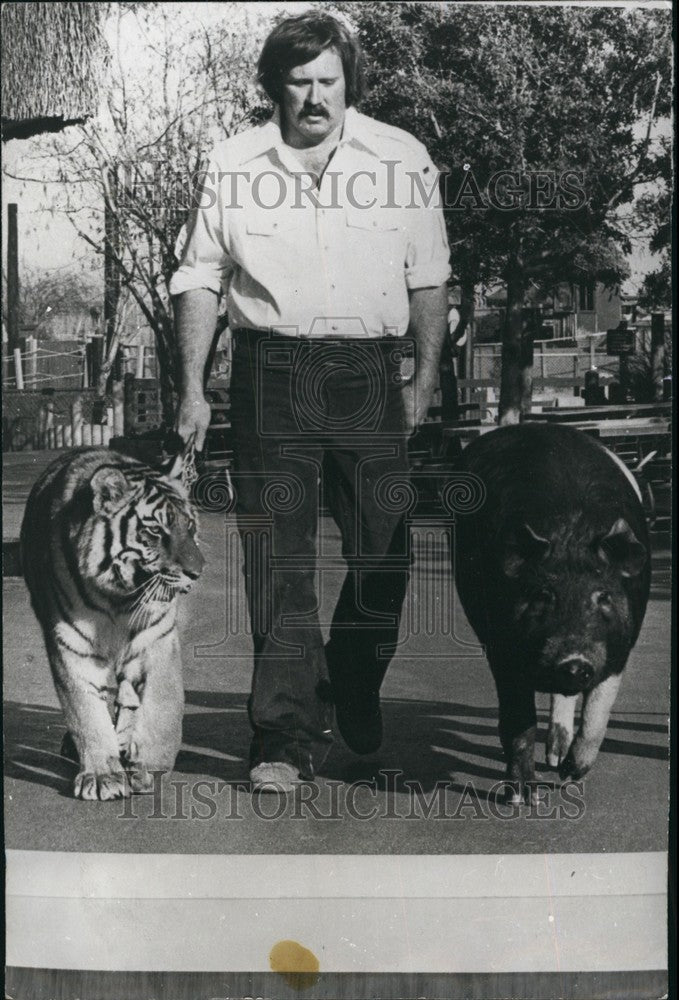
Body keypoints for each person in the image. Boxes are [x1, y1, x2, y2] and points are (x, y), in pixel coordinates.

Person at [170, 11, 450, 792]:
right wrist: (192, 388)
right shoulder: (232, 163)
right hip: (271, 372)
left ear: (347, 81)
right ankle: (282, 736)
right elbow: (199, 277)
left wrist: (422, 378)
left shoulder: (400, 156)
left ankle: (353, 674)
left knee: (386, 550)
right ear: (274, 88)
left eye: (329, 80)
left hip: (368, 370)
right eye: (299, 83)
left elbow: (427, 274)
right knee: (278, 558)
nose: (316, 97)